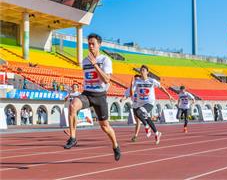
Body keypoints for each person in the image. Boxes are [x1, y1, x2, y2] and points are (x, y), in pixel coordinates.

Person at [63, 33, 121, 161]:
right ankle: (73, 138)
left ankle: (115, 146)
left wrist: (95, 65)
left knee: (105, 127)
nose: (90, 46)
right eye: (88, 44)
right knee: (73, 106)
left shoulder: (105, 60)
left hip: (100, 96)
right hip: (87, 94)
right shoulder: (84, 61)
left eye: (93, 44)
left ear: (99, 45)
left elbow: (106, 80)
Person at [131, 65, 174, 144]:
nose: (142, 71)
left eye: (143, 70)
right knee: (143, 116)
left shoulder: (151, 80)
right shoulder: (137, 82)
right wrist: (131, 85)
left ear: (147, 72)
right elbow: (132, 92)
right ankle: (157, 133)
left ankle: (147, 126)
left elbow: (161, 87)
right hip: (140, 103)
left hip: (149, 102)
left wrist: (169, 95)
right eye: (141, 70)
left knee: (140, 112)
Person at [121, 74, 142, 142]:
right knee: (137, 121)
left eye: (138, 80)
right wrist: (122, 99)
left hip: (142, 105)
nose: (136, 81)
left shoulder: (142, 87)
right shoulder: (131, 88)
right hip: (135, 106)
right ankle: (136, 135)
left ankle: (136, 135)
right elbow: (126, 95)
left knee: (139, 120)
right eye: (135, 80)